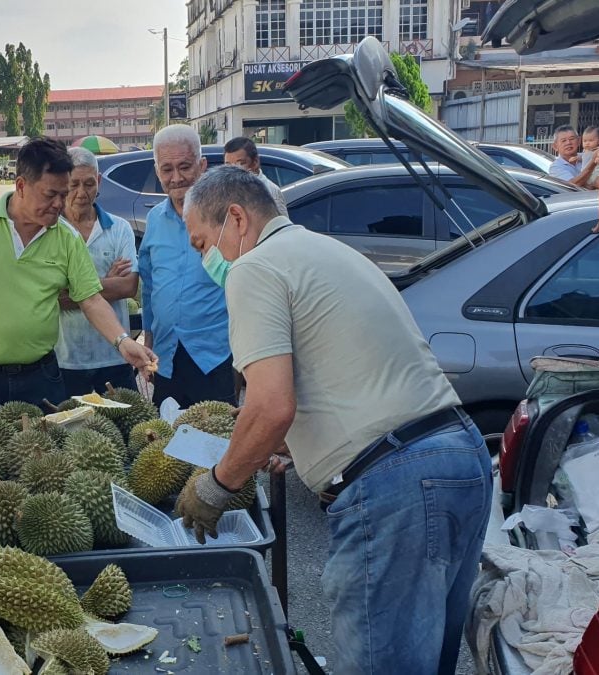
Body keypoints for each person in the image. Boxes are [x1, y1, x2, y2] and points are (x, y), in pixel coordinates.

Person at [175, 165, 490, 675]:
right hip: (461, 457)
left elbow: (271, 405)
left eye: (201, 243)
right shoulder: (330, 251)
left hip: (399, 487)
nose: (204, 258)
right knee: (426, 661)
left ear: (235, 219)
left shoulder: (256, 268)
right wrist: (301, 446)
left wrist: (216, 485)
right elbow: (350, 373)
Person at [0, 138, 156, 456]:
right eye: (50, 194)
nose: (59, 204)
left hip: (38, 378)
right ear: (21, 185)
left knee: (38, 472)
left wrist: (123, 341)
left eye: (63, 194)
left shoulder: (66, 238)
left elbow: (91, 299)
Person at [139, 125, 235, 408]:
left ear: (202, 165)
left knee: (217, 443)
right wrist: (149, 342)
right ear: (157, 171)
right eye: (167, 169)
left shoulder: (226, 218)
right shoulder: (155, 220)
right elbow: (150, 287)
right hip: (166, 357)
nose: (176, 178)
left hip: (214, 355)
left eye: (184, 167)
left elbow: (244, 283)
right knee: (164, 444)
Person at [57, 146, 140, 396]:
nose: (82, 193)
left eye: (89, 184)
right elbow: (53, 296)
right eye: (74, 185)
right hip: (66, 357)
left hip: (114, 354)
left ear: (99, 182)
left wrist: (74, 289)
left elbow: (129, 286)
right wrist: (108, 281)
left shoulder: (119, 228)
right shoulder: (51, 231)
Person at [223, 136, 288, 213]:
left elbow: (281, 224)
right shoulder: (224, 191)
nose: (232, 170)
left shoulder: (271, 192)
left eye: (240, 164)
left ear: (255, 162)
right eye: (228, 165)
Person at [580, 125, 599, 190]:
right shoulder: (585, 151)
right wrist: (577, 158)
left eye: (590, 140)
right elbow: (583, 156)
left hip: (596, 173)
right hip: (586, 175)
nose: (587, 143)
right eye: (585, 141)